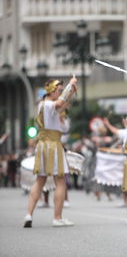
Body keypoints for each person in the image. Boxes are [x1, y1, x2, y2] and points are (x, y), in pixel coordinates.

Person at [23, 76, 78, 228]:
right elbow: (61, 103)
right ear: (52, 91)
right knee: (60, 182)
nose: (60, 93)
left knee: (40, 181)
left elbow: (63, 104)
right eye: (59, 90)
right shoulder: (47, 104)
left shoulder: (45, 105)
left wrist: (71, 90)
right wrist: (70, 85)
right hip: (53, 145)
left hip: (43, 145)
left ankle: (29, 214)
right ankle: (57, 217)